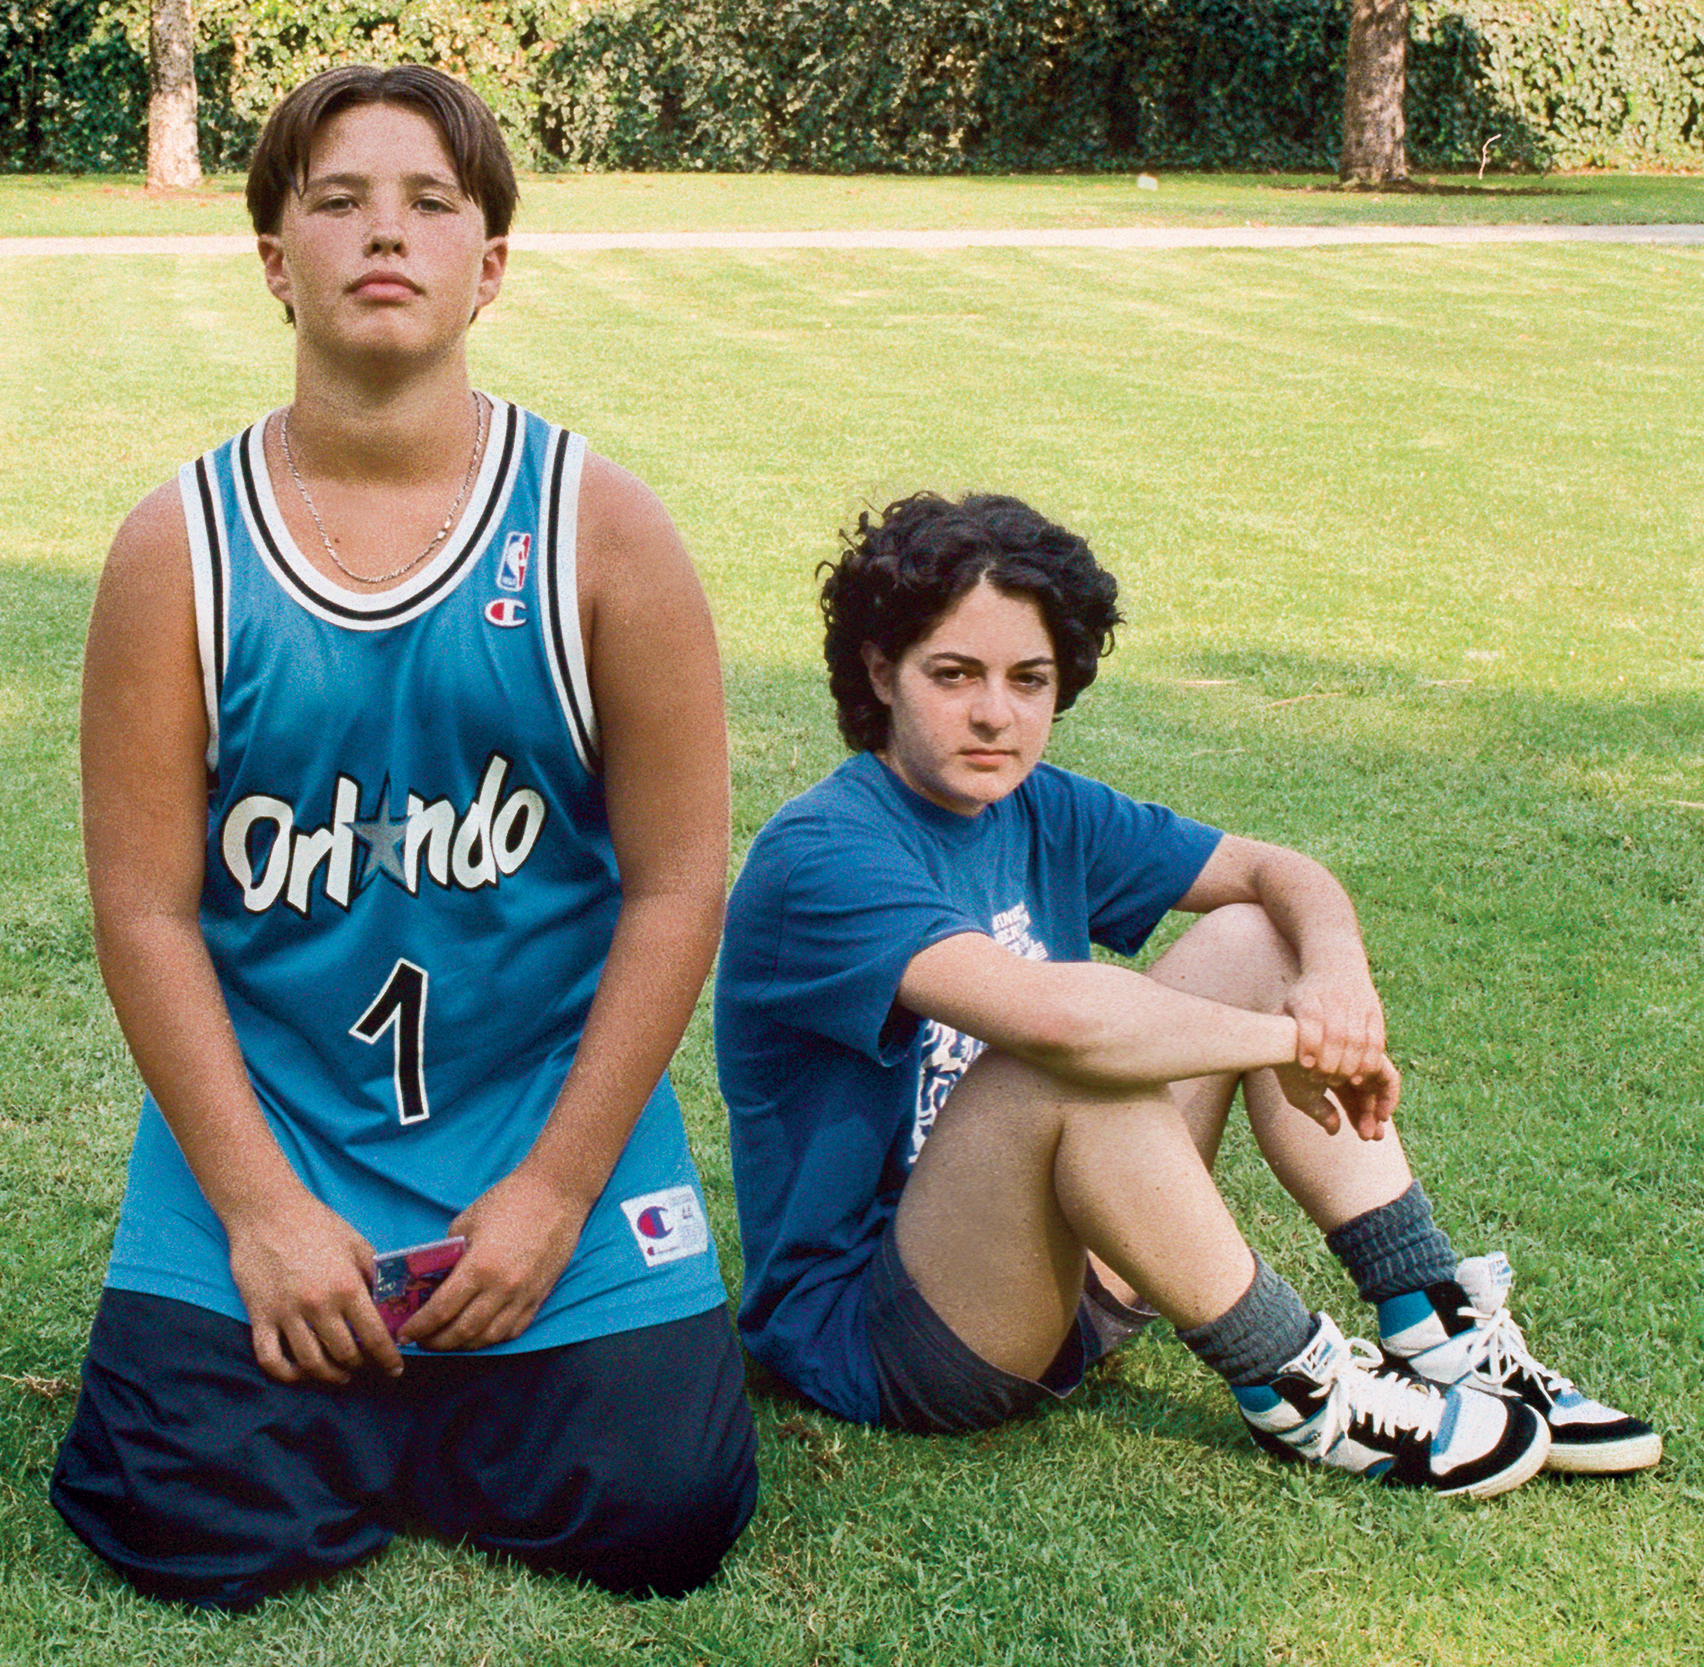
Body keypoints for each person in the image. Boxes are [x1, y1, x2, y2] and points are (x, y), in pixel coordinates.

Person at [52, 64, 756, 1609]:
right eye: (338, 201)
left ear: (488, 264)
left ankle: (394, 1405)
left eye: (432, 204)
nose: (389, 234)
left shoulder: (602, 527)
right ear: (272, 257)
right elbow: (150, 913)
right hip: (280, 1134)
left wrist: (561, 1189)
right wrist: (257, 1208)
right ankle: (373, 1385)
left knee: (664, 1503)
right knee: (172, 1517)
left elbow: (676, 881)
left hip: (539, 1124)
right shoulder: (178, 547)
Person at [715, 489, 1659, 1496]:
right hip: (893, 1330)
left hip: (1076, 1278)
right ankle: (1304, 1384)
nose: (997, 712)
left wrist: (1335, 980)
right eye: (955, 674)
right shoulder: (823, 852)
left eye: (1029, 679)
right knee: (1064, 1057)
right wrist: (1282, 1042)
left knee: (1254, 933)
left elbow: (1279, 873)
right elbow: (1059, 1022)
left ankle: (1434, 1318)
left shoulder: (1041, 805)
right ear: (879, 671)